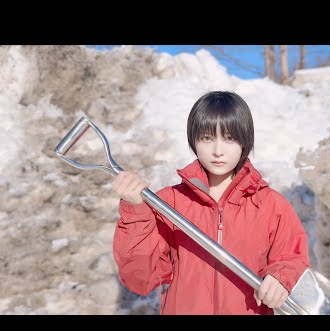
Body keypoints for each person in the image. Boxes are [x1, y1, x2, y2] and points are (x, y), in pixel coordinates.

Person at [112, 91, 309, 315]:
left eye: (229, 138)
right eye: (207, 138)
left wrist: (281, 277)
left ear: (245, 141)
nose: (217, 151)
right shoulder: (168, 203)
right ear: (193, 140)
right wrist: (136, 212)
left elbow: (291, 259)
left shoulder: (271, 205)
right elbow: (140, 279)